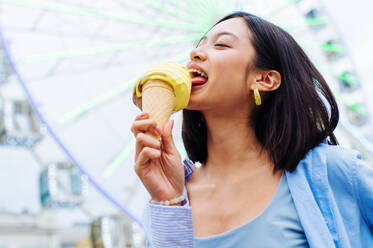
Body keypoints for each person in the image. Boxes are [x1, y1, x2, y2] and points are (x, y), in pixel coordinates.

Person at [130, 12, 373, 248]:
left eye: (222, 45)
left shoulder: (332, 172)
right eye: (199, 45)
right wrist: (170, 201)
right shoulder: (170, 199)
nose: (195, 53)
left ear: (265, 80)